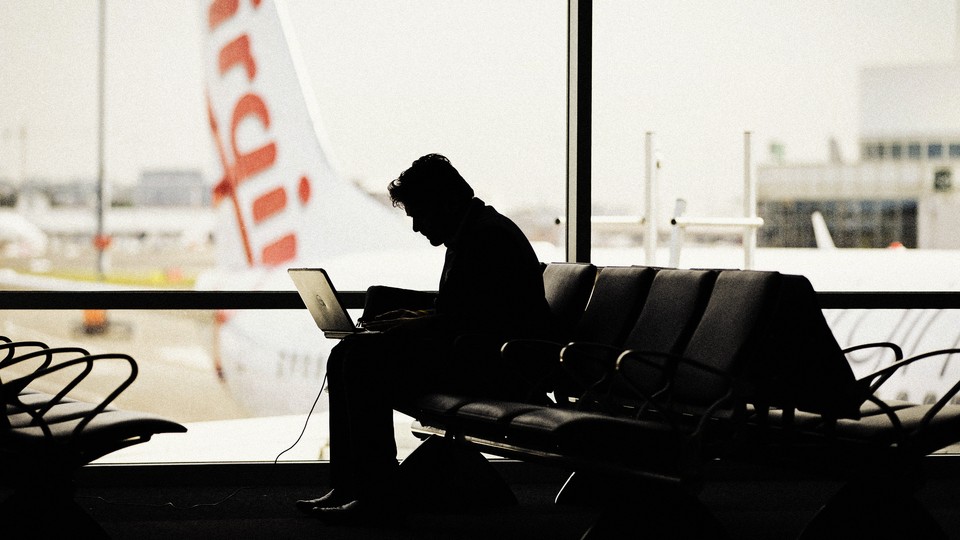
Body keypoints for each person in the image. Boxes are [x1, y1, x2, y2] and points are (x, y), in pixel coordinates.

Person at [296, 154, 553, 524]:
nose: (416, 227)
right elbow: (468, 310)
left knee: (361, 361)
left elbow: (475, 322)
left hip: (498, 366)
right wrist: (410, 317)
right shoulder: (475, 231)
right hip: (481, 352)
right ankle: (350, 485)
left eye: (419, 213)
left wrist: (409, 326)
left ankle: (374, 492)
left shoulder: (486, 238)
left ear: (444, 202)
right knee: (347, 355)